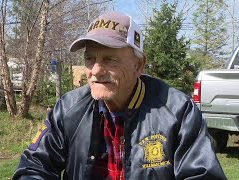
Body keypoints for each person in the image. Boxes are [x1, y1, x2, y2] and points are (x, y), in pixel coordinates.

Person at [13, 11, 227, 180]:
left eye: (109, 60)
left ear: (138, 65)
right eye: (90, 59)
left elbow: (202, 175)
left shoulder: (179, 112)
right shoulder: (67, 109)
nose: (95, 70)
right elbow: (35, 166)